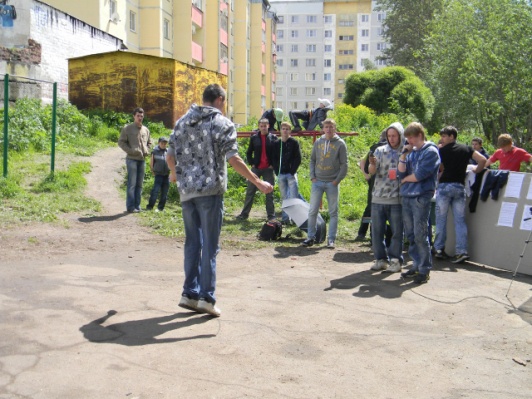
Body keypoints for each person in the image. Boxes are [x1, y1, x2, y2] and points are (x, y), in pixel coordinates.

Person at [167, 84, 273, 317]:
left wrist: (175, 175)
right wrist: (258, 182)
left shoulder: (182, 121)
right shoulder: (222, 123)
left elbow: (169, 154)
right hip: (210, 192)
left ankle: (189, 294)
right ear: (220, 100)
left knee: (193, 243)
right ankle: (206, 297)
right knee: (210, 246)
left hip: (187, 193)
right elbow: (233, 158)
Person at [433, 126, 487, 263]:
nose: (442, 139)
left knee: (441, 219)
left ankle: (439, 248)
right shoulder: (467, 149)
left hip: (444, 186)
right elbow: (482, 160)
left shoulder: (441, 150)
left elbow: (439, 168)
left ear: (452, 136)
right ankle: (461, 251)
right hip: (459, 186)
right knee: (460, 221)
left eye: (444, 136)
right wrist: (476, 170)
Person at [397, 122, 440, 284]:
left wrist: (407, 179)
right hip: (407, 196)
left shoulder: (431, 151)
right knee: (411, 234)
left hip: (421, 196)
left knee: (420, 234)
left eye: (411, 138)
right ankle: (416, 264)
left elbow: (420, 174)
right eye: (407, 138)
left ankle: (424, 269)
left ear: (420, 135)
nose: (409, 141)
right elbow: (401, 173)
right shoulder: (411, 152)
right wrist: (403, 155)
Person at [302, 118, 348, 249]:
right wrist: (312, 177)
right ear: (323, 128)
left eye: (331, 127)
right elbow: (312, 160)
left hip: (332, 182)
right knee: (312, 211)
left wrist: (337, 180)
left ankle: (331, 239)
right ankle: (310, 237)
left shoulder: (340, 144)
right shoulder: (318, 142)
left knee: (333, 212)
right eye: (326, 127)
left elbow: (344, 164)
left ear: (335, 128)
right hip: (317, 181)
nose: (328, 129)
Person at [367, 122, 405, 273]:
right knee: (377, 231)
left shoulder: (406, 151)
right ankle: (380, 259)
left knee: (396, 231)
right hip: (378, 197)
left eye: (394, 136)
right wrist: (372, 164)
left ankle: (395, 260)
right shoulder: (380, 150)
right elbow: (371, 172)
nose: (391, 139)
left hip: (397, 198)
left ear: (400, 136)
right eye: (389, 136)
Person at [236, 118, 279, 221]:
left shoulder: (273, 138)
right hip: (256, 168)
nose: (263, 128)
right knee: (250, 191)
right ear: (259, 126)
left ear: (268, 126)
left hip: (268, 169)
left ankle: (271, 216)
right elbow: (249, 152)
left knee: (269, 193)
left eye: (265, 126)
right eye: (261, 126)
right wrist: (252, 163)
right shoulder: (254, 138)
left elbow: (277, 154)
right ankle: (244, 214)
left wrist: (273, 165)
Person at [118, 107, 152, 213]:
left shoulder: (146, 130)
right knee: (132, 184)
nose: (140, 118)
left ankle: (137, 206)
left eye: (142, 116)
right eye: (138, 116)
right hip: (132, 159)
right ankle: (130, 207)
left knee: (139, 184)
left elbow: (150, 142)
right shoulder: (127, 129)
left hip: (142, 160)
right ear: (134, 116)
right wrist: (131, 151)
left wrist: (147, 150)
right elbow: (121, 142)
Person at [355, 130, 388, 242]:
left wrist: (367, 176)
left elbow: (362, 163)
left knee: (370, 207)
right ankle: (375, 236)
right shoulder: (394, 149)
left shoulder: (373, 148)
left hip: (374, 181)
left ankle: (362, 233)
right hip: (388, 184)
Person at [274, 122, 302, 224]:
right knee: (284, 197)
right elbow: (274, 159)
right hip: (281, 174)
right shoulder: (277, 143)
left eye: (287, 129)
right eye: (283, 129)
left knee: (294, 197)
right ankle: (285, 219)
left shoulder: (294, 143)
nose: (285, 131)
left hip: (291, 174)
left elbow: (298, 158)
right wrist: (277, 171)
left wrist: (292, 171)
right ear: (280, 130)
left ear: (290, 131)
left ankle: (295, 219)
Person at [146, 137, 170, 212]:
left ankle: (160, 208)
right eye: (162, 143)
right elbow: (151, 162)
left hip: (166, 175)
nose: (164, 144)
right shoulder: (155, 151)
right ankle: (150, 206)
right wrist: (152, 171)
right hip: (158, 174)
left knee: (165, 192)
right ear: (159, 143)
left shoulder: (168, 152)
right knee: (155, 191)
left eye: (165, 143)